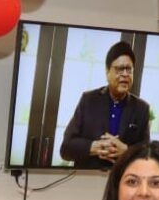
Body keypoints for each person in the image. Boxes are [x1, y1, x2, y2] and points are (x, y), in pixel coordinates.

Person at [60, 41, 151, 170]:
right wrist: (95, 147)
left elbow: (147, 155)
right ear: (107, 72)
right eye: (120, 69)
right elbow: (66, 148)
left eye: (129, 69)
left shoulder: (141, 109)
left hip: (121, 178)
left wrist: (126, 152)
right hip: (86, 178)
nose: (125, 74)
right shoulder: (89, 100)